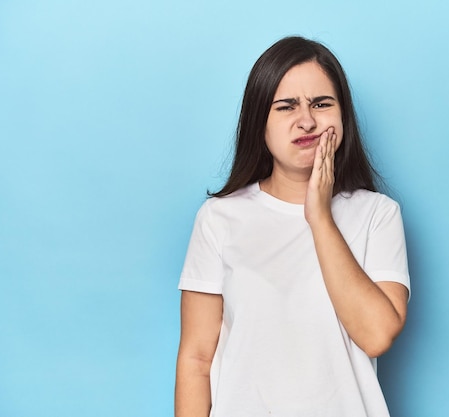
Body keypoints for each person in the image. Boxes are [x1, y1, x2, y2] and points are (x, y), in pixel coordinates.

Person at [175, 36, 410, 417]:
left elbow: (377, 334)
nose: (307, 120)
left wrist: (319, 216)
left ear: (343, 115)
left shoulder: (377, 215)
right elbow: (196, 359)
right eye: (286, 106)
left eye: (321, 103)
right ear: (259, 124)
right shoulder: (219, 218)